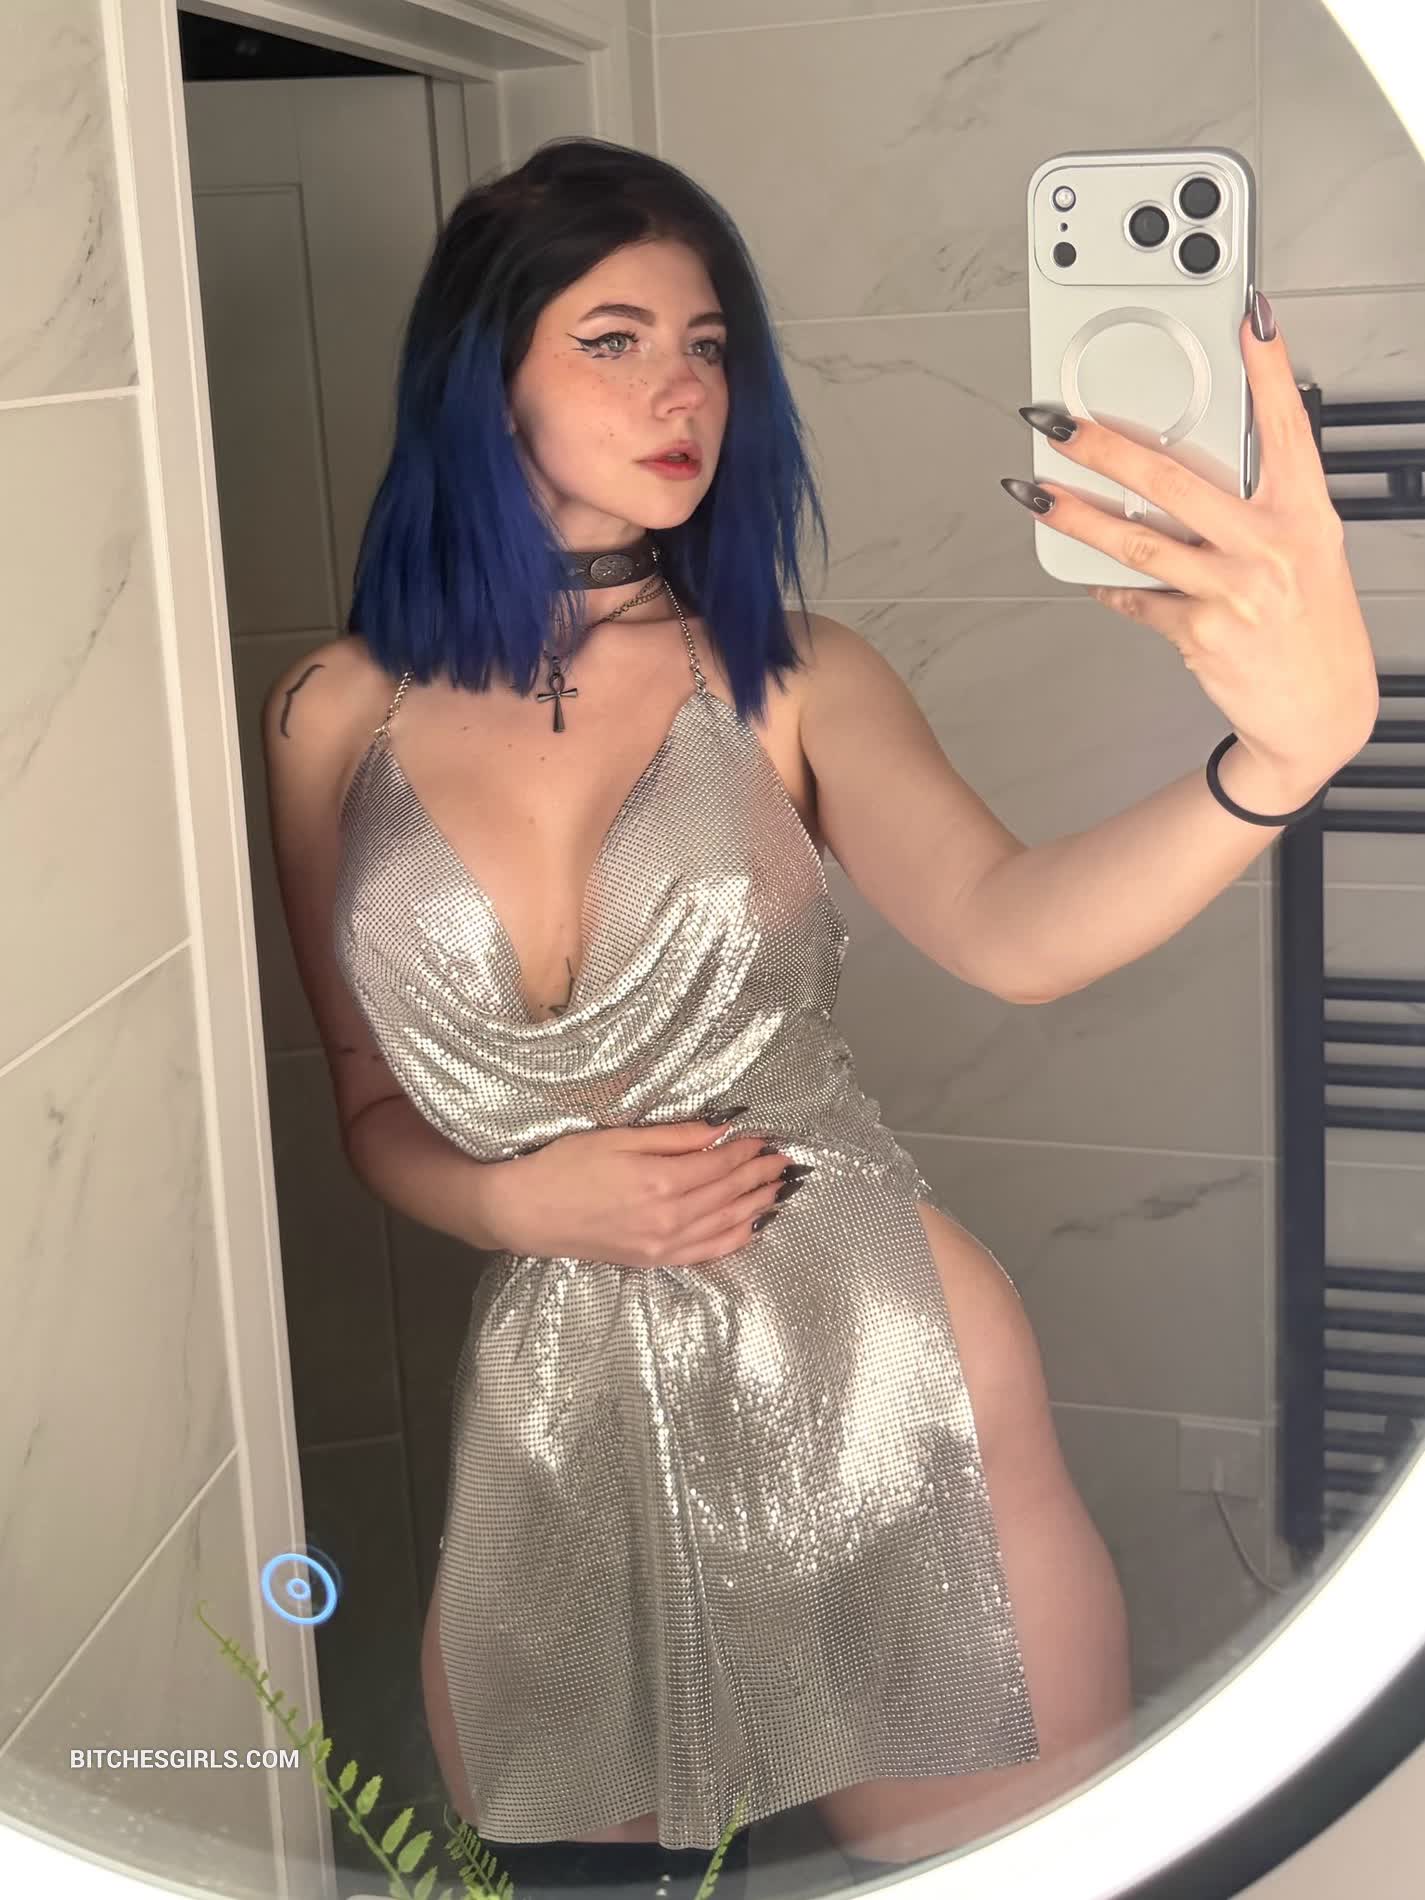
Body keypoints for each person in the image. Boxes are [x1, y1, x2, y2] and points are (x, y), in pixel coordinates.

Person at [262, 136, 1134, 1900]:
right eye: (615, 340)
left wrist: (1274, 760)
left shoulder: (788, 672)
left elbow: (1014, 930)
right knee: (565, 1876)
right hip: (560, 1412)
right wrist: (508, 1199)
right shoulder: (332, 714)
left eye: (709, 346)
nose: (683, 392)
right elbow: (366, 1100)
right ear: (482, 375)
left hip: (881, 1375)